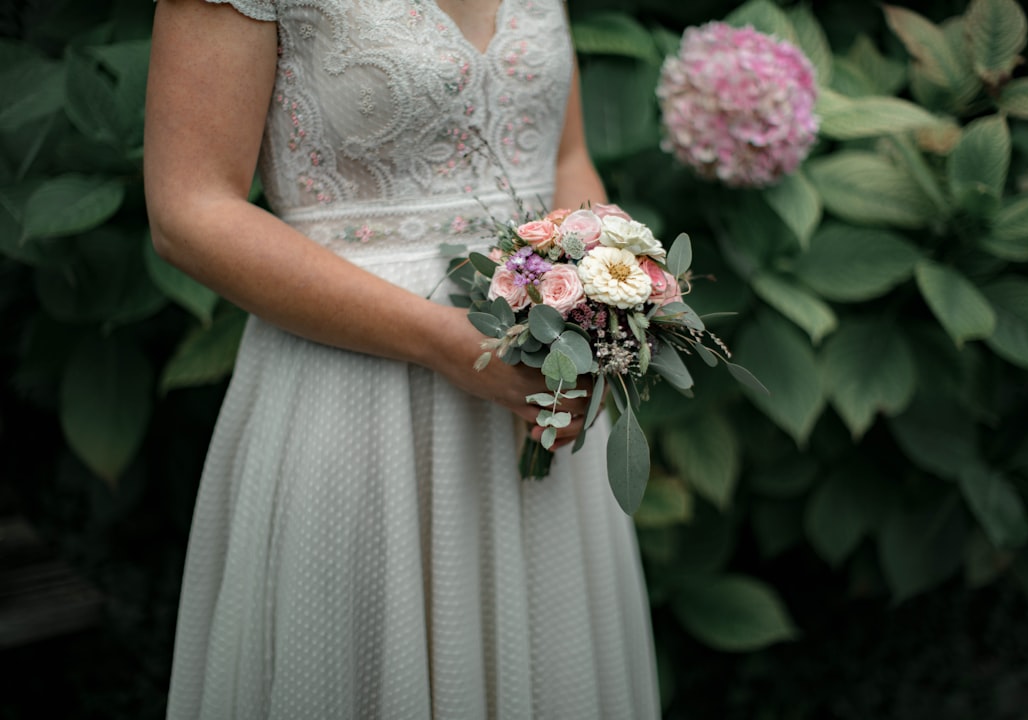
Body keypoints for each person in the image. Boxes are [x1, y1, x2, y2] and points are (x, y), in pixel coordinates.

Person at [144, 0, 660, 717]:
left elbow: (564, 157)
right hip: (360, 402)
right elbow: (190, 210)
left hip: (542, 394)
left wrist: (599, 310)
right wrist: (443, 340)